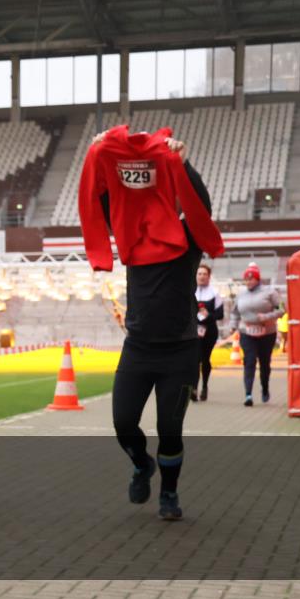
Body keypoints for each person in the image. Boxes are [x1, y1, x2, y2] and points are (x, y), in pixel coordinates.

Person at [79, 126, 225, 522]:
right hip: (139, 349)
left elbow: (202, 206)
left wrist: (182, 161)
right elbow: (107, 199)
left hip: (180, 350)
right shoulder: (132, 238)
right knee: (123, 424)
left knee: (170, 428)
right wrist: (98, 151)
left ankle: (170, 494)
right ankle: (142, 464)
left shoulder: (188, 240)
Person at [229, 263, 283, 406]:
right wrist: (233, 326)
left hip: (267, 332)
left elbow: (282, 309)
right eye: (246, 279)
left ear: (258, 279)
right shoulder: (241, 294)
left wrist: (267, 317)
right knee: (250, 360)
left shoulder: (270, 292)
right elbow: (235, 313)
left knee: (265, 363)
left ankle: (265, 388)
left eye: (252, 279)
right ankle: (248, 394)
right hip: (247, 332)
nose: (249, 281)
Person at [193, 263, 224, 402]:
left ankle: (204, 386)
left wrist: (208, 314)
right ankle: (193, 387)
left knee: (205, 359)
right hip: (193, 331)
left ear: (209, 277)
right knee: (194, 359)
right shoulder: (191, 292)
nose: (202, 276)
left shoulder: (215, 294)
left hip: (209, 331)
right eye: (199, 274)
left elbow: (220, 314)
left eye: (205, 274)